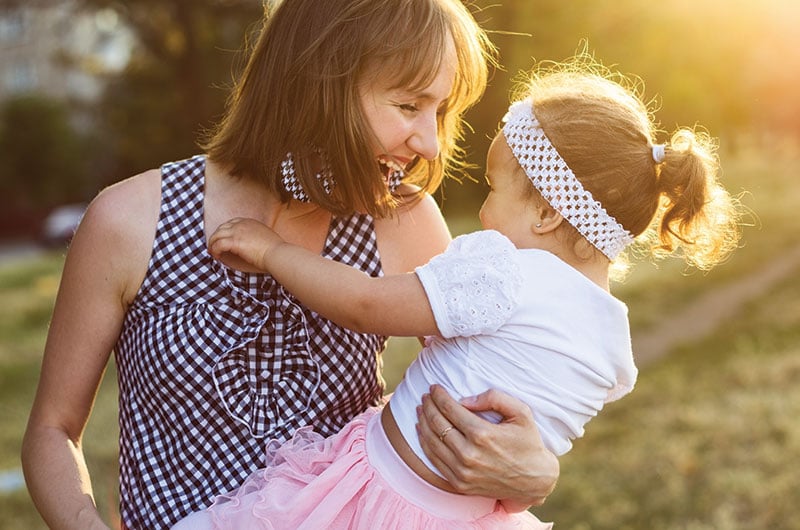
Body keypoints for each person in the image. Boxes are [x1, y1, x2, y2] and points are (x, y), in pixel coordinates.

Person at [21, 1, 561, 529]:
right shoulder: (128, 221)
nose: (429, 143)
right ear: (319, 83)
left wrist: (534, 471)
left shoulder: (405, 221)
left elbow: (486, 392)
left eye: (439, 111)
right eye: (408, 106)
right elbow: (53, 428)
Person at [173, 52, 742, 529]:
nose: (486, 210)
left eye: (496, 188)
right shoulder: (612, 342)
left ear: (546, 212)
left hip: (377, 495)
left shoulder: (502, 271)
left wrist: (274, 253)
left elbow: (369, 304)